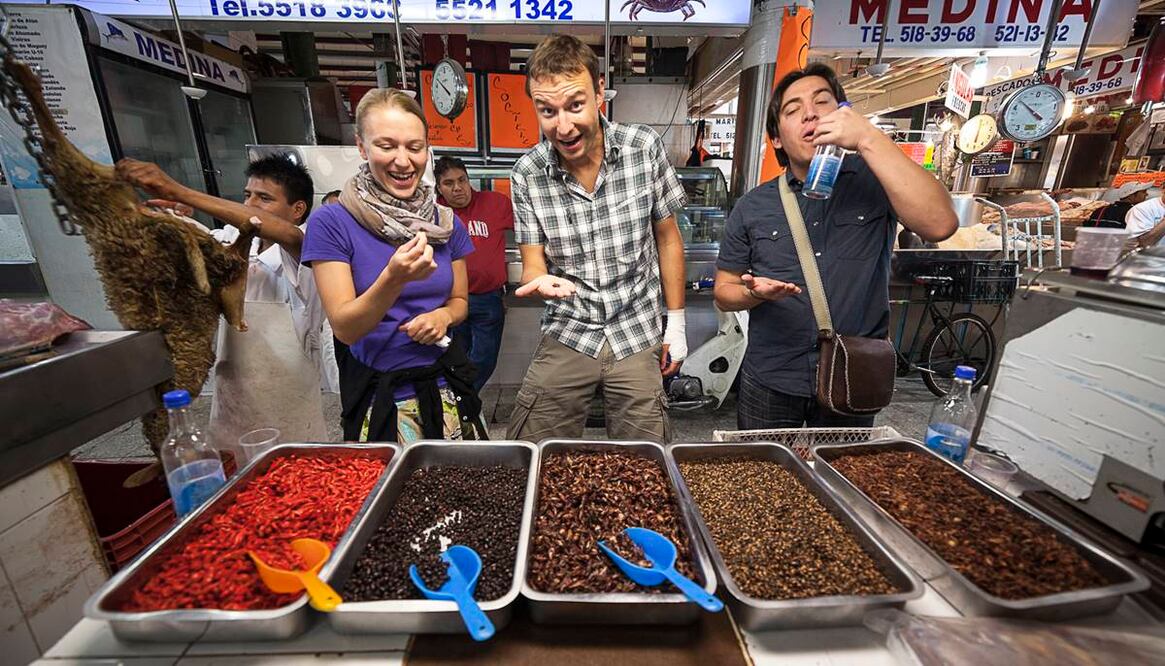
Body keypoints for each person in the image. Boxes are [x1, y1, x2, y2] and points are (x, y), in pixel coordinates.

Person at [713, 63, 958, 430]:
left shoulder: (877, 181)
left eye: (822, 102)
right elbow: (724, 291)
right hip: (772, 378)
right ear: (777, 138)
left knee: (840, 482)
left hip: (852, 374)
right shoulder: (753, 206)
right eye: (792, 110)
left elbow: (940, 224)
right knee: (766, 482)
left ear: (844, 114)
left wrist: (869, 139)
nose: (810, 112)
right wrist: (755, 295)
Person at [505, 35, 689, 443]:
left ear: (600, 92)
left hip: (637, 328)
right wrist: (536, 281)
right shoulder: (526, 173)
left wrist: (675, 324)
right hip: (569, 328)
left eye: (575, 104)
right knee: (530, 452)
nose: (563, 126)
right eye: (547, 111)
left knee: (646, 463)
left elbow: (668, 238)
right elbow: (532, 262)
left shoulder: (643, 148)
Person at [302, 88, 484, 444]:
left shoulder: (444, 222)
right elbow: (346, 329)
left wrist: (443, 317)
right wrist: (393, 279)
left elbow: (460, 302)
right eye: (387, 146)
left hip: (447, 385)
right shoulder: (332, 223)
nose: (403, 161)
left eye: (414, 147)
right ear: (362, 147)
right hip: (381, 395)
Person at [117, 155, 330, 450]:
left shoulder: (310, 250)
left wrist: (177, 190)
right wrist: (173, 220)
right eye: (247, 195)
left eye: (264, 198)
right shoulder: (228, 242)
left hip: (292, 419)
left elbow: (286, 234)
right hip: (232, 412)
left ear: (297, 209)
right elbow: (198, 244)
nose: (250, 204)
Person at [434, 155, 514, 391]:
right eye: (449, 183)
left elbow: (531, 227)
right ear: (439, 188)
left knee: (484, 359)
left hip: (488, 298)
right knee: (454, 357)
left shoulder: (496, 203)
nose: (458, 188)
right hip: (447, 300)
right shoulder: (434, 213)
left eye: (462, 180)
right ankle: (462, 404)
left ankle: (462, 400)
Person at [1085, 182, 1152, 228]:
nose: (1146, 194)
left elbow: (1087, 227)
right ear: (1131, 195)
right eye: (1143, 192)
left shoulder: (1101, 209)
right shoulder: (1134, 212)